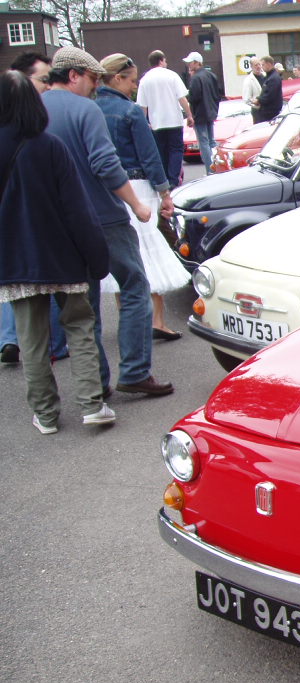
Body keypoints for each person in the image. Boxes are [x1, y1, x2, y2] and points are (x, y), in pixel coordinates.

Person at [43, 46, 173, 397]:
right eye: (92, 78)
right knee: (134, 285)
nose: (96, 86)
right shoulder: (86, 109)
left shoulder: (36, 110)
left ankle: (96, 383)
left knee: (83, 304)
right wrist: (136, 203)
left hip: (59, 223)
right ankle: (134, 371)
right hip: (102, 215)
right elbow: (105, 163)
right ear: (74, 75)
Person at [0, 70, 114, 432]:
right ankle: (92, 405)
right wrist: (97, 256)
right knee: (80, 327)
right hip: (63, 255)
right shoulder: (50, 146)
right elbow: (77, 209)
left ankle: (46, 415)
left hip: (15, 260)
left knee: (32, 339)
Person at [96, 53, 189, 342]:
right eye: (132, 81)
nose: (134, 87)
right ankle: (157, 320)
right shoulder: (130, 111)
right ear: (117, 78)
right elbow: (149, 156)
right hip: (137, 186)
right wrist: (164, 192)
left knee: (121, 254)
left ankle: (129, 320)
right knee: (148, 251)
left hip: (107, 188)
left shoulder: (91, 108)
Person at [1, 51, 68, 365]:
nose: (49, 86)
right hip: (39, 237)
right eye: (43, 79)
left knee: (18, 301)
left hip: (14, 243)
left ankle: (9, 339)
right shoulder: (44, 140)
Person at [136, 50, 193, 189]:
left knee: (161, 151)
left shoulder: (145, 80)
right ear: (161, 61)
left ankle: (165, 178)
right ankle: (174, 179)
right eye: (165, 60)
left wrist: (144, 122)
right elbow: (182, 98)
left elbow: (142, 105)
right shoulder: (172, 75)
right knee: (176, 150)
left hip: (156, 123)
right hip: (174, 120)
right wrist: (189, 115)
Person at [183, 51, 219, 175]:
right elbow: (217, 95)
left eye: (190, 62)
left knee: (203, 142)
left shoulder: (196, 78)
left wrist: (190, 114)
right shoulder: (211, 75)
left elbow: (194, 97)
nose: (188, 65)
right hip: (211, 113)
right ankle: (216, 166)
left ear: (197, 63)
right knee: (212, 142)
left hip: (200, 114)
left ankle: (210, 170)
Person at [253, 55, 282, 124]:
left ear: (269, 64)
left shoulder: (273, 78)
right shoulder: (268, 77)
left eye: (263, 65)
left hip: (270, 113)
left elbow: (269, 95)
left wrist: (258, 100)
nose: (261, 67)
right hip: (266, 112)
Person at [242, 56, 263, 121]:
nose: (258, 67)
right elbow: (246, 99)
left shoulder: (266, 76)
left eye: (259, 64)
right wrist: (256, 103)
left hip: (269, 110)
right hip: (257, 112)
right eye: (256, 65)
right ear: (251, 66)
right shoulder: (248, 80)